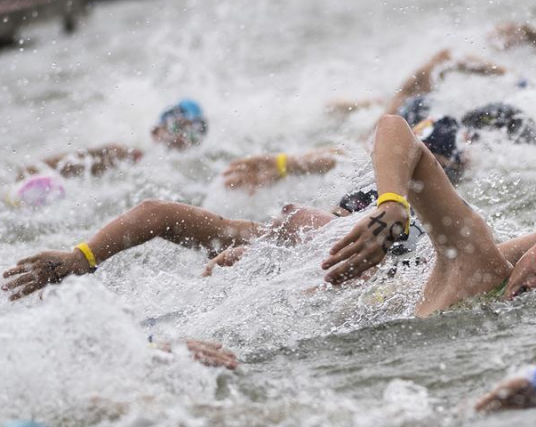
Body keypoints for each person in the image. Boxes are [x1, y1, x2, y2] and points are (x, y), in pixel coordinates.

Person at [3, 114, 536, 315]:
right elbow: (156, 213)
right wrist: (80, 256)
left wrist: (81, 257)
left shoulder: (460, 272)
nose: (290, 217)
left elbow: (158, 213)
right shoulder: (297, 253)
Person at [222, 49, 509, 192]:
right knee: (368, 115)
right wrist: (285, 164)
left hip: (441, 122)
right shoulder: (392, 140)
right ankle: (370, 102)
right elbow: (348, 158)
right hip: (410, 117)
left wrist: (505, 76)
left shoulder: (480, 157)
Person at [6, 99, 208, 208]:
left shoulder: (199, 168)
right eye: (177, 127)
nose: (182, 137)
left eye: (193, 131)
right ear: (156, 131)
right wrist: (28, 173)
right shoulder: (126, 154)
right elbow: (62, 161)